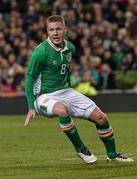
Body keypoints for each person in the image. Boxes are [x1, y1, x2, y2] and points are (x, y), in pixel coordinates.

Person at [25, 15, 133, 164]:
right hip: (43, 97)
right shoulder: (40, 52)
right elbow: (29, 79)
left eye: (58, 29)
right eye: (51, 30)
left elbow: (66, 70)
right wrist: (31, 107)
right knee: (63, 110)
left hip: (65, 91)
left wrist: (69, 88)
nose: (55, 33)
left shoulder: (70, 48)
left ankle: (113, 155)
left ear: (65, 29)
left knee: (101, 118)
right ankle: (80, 148)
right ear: (47, 32)